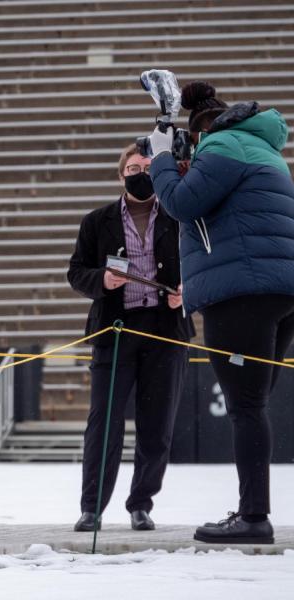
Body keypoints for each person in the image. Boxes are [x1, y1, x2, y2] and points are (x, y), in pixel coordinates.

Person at [148, 81, 294, 544]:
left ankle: (254, 518)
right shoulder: (262, 149)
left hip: (240, 292)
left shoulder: (222, 144)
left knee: (245, 405)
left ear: (199, 129)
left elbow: (181, 202)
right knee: (254, 403)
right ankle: (253, 511)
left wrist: (160, 161)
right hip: (279, 291)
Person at [67, 144, 195, 532]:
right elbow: (76, 273)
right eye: (133, 167)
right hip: (115, 331)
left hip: (166, 333)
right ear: (121, 174)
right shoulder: (96, 221)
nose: (139, 172)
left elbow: (203, 267)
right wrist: (102, 281)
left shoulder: (182, 217)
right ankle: (92, 507)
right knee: (103, 424)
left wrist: (187, 291)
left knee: (157, 426)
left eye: (147, 167)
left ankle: (141, 503)